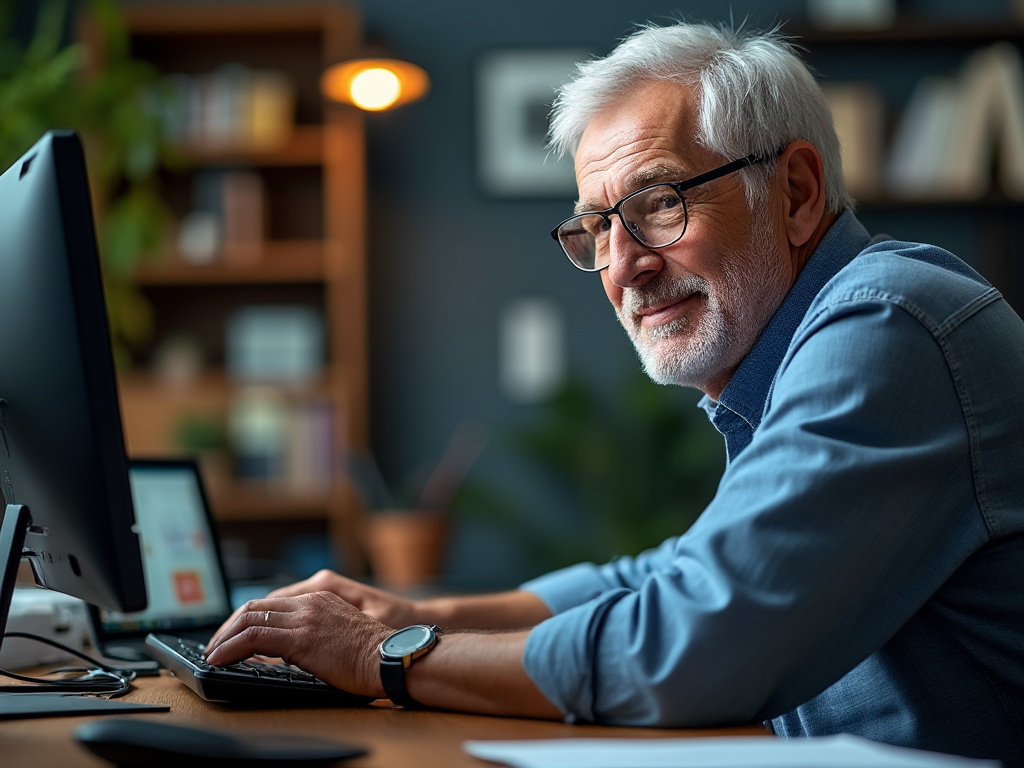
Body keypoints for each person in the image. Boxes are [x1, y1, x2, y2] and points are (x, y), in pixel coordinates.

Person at [205, 20, 1024, 763]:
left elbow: (692, 643)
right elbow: (669, 577)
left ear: (796, 194)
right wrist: (418, 616)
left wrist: (376, 655)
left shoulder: (889, 324)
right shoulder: (812, 351)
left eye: (659, 203)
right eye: (598, 227)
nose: (624, 264)